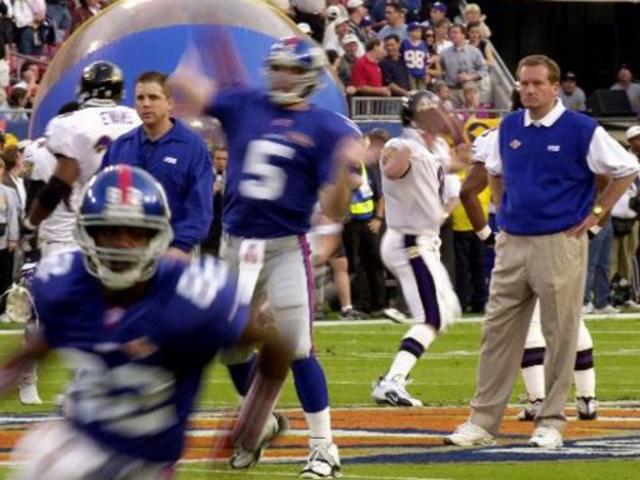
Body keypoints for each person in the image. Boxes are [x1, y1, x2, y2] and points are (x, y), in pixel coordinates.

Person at [0, 165, 292, 479]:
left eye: (136, 232)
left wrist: (253, 421)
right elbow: (43, 342)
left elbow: (277, 346)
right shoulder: (65, 284)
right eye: (109, 231)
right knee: (50, 459)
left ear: (158, 235)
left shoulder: (195, 297)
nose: (123, 244)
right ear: (87, 233)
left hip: (146, 461)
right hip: (81, 439)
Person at [170, 35, 364, 478]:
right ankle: (262, 421)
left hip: (284, 246)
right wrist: (191, 55)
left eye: (291, 70)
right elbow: (190, 91)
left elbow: (334, 210)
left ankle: (323, 448)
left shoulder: (326, 127)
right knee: (230, 345)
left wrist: (341, 178)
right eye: (276, 67)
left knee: (297, 346)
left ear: (309, 78)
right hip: (236, 243)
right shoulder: (245, 103)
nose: (281, 76)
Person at [445, 55, 639, 449]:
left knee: (560, 333)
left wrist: (596, 215)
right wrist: (502, 212)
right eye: (523, 83)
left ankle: (551, 421)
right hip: (512, 242)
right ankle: (482, 422)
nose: (528, 90)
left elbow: (626, 168)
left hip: (559, 242)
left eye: (536, 83)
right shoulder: (507, 128)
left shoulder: (581, 129)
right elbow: (492, 171)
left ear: (554, 87)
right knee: (496, 333)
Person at [459, 104, 600, 422]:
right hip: (562, 233)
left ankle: (540, 401)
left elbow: (469, 191)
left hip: (521, 237)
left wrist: (487, 235)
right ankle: (587, 397)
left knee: (527, 322)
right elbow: (604, 178)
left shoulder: (498, 136)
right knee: (566, 318)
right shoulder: (567, 132)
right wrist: (592, 222)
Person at [19, 60, 141, 405]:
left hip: (74, 228)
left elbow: (58, 182)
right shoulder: (135, 117)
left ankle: (77, 381)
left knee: (59, 307)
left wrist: (30, 225)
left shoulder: (65, 129)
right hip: (120, 227)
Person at [371, 90, 462, 407]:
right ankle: (392, 381)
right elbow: (394, 167)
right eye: (433, 110)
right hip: (409, 239)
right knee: (431, 317)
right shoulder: (404, 144)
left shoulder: (434, 145)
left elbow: (457, 164)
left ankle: (395, 376)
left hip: (423, 238)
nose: (440, 114)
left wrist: (458, 135)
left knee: (447, 311)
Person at [101, 71, 213, 259]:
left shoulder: (193, 148)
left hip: (173, 251)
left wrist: (180, 246)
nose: (146, 104)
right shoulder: (120, 146)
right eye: (140, 98)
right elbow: (103, 194)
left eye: (153, 97)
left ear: (170, 103)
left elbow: (200, 208)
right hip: (124, 251)